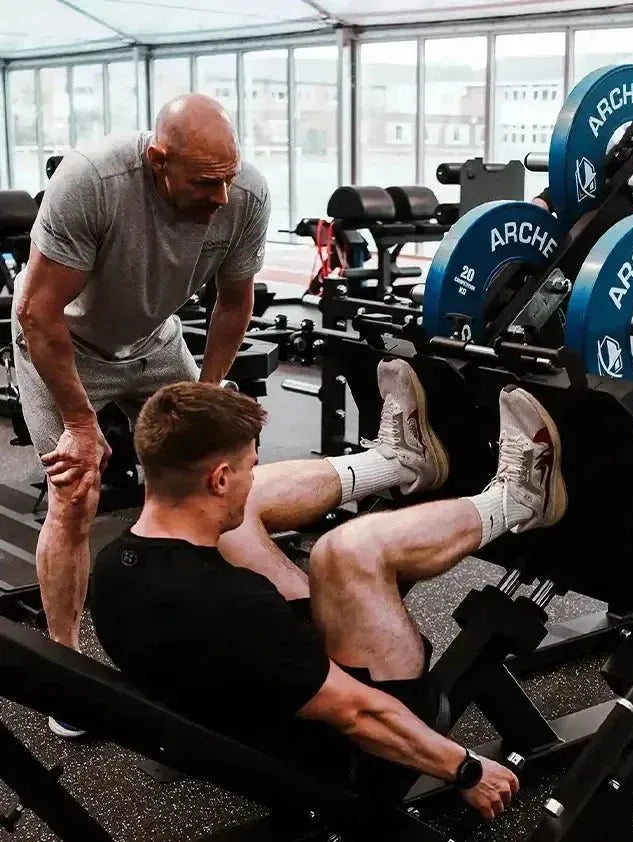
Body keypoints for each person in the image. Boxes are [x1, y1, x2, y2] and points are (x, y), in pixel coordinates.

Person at [89, 360, 568, 820]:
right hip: (352, 751)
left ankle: (397, 462)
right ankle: (517, 501)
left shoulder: (111, 566)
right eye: (249, 466)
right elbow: (357, 713)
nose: (253, 474)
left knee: (246, 513)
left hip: (251, 694)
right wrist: (465, 769)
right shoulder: (236, 608)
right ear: (219, 479)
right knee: (347, 550)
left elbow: (240, 626)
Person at [11, 92, 270, 724]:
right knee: (75, 491)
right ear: (158, 160)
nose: (221, 197)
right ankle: (66, 668)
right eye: (204, 183)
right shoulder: (92, 182)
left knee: (207, 472)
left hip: (156, 341)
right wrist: (80, 423)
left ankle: (204, 629)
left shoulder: (245, 195)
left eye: (227, 178)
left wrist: (208, 390)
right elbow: (38, 311)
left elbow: (234, 301)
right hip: (63, 344)